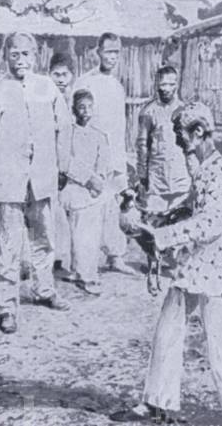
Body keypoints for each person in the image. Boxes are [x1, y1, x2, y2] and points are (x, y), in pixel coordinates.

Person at [111, 102, 222, 425]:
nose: (177, 142)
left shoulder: (219, 172)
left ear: (197, 133)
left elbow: (211, 224)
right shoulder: (204, 167)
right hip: (194, 266)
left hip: (217, 269)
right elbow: (191, 204)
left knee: (221, 344)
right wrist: (159, 218)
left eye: (180, 135)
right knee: (168, 327)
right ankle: (156, 402)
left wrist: (164, 238)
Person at [0, 32, 73, 334]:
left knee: (44, 236)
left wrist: (63, 165)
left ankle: (44, 291)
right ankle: (6, 306)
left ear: (36, 56)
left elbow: (64, 127)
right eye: (14, 54)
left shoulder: (47, 88)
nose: (20, 61)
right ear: (6, 57)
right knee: (9, 243)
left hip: (41, 175)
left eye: (26, 54)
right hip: (10, 177)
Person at [73, 32, 133, 275]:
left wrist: (123, 158)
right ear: (97, 52)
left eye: (116, 52)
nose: (112, 57)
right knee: (89, 210)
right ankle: (82, 266)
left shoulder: (117, 86)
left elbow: (119, 126)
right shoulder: (85, 82)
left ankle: (116, 256)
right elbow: (76, 121)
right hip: (92, 157)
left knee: (115, 207)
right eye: (108, 51)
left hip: (115, 155)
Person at [59, 89, 108, 295]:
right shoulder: (67, 134)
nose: (86, 111)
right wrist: (86, 180)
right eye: (81, 107)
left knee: (90, 233)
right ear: (74, 110)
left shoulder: (99, 136)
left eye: (89, 107)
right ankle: (82, 273)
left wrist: (98, 180)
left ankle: (86, 271)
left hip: (93, 190)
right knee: (77, 232)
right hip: (74, 186)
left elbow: (103, 162)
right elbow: (65, 162)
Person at [135, 65, 190, 213]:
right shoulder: (148, 112)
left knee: (179, 223)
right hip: (157, 178)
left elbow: (190, 146)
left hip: (181, 177)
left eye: (171, 84)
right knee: (155, 221)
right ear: (156, 85)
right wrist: (142, 175)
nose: (166, 88)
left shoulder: (184, 110)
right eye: (163, 84)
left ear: (176, 85)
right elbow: (142, 146)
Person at [49, 50, 77, 274]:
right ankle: (52, 259)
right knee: (51, 212)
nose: (60, 79)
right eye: (55, 74)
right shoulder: (44, 97)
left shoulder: (74, 101)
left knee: (69, 213)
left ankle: (67, 259)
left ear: (72, 76)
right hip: (49, 161)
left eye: (64, 74)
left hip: (71, 160)